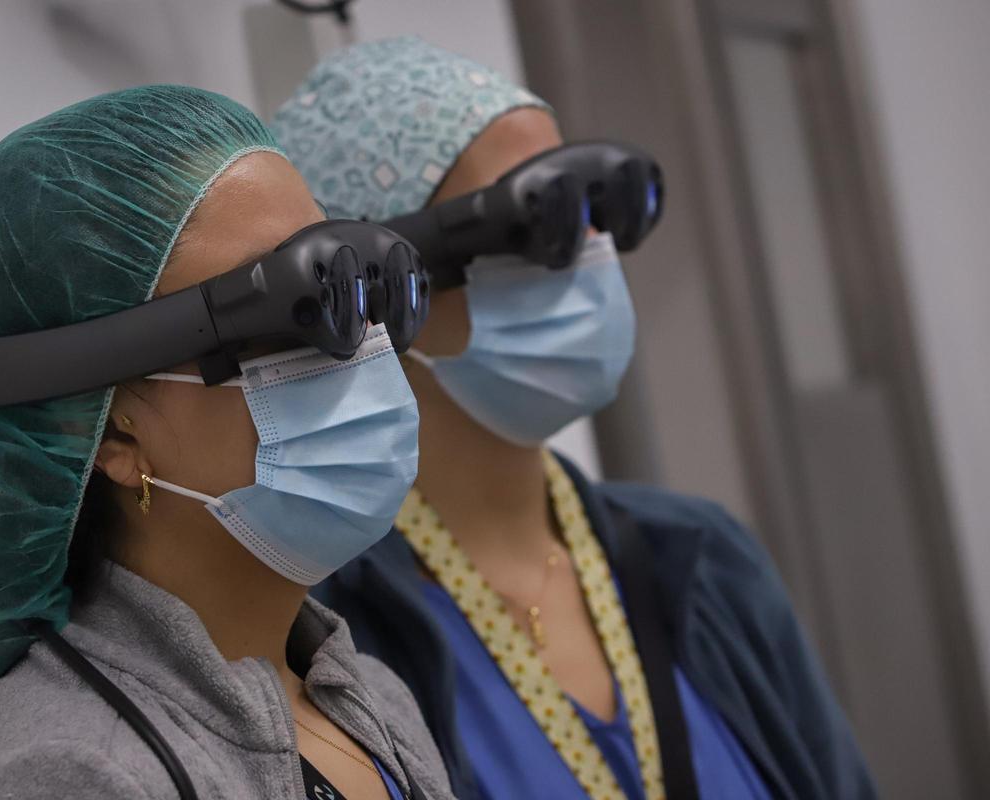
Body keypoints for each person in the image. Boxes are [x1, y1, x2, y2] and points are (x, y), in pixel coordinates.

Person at [272, 37, 876, 800]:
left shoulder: (702, 557)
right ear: (390, 287)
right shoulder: (330, 633)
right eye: (538, 219)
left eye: (594, 208)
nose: (591, 254)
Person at [0, 84, 454, 800]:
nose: (359, 352)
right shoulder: (72, 774)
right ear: (106, 431)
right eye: (292, 310)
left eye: (347, 284)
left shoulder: (369, 698)